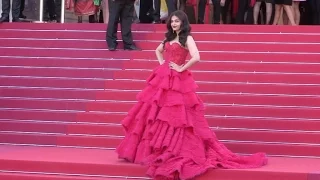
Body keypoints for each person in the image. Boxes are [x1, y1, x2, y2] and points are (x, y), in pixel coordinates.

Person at [116, 10, 268, 180]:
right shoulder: (168, 37)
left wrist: (181, 68)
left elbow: (197, 56)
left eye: (177, 21)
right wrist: (163, 65)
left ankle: (172, 148)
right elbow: (158, 51)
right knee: (155, 113)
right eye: (172, 21)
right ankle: (152, 149)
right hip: (164, 79)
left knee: (176, 116)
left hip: (178, 81)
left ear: (183, 23)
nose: (174, 24)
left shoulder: (187, 38)